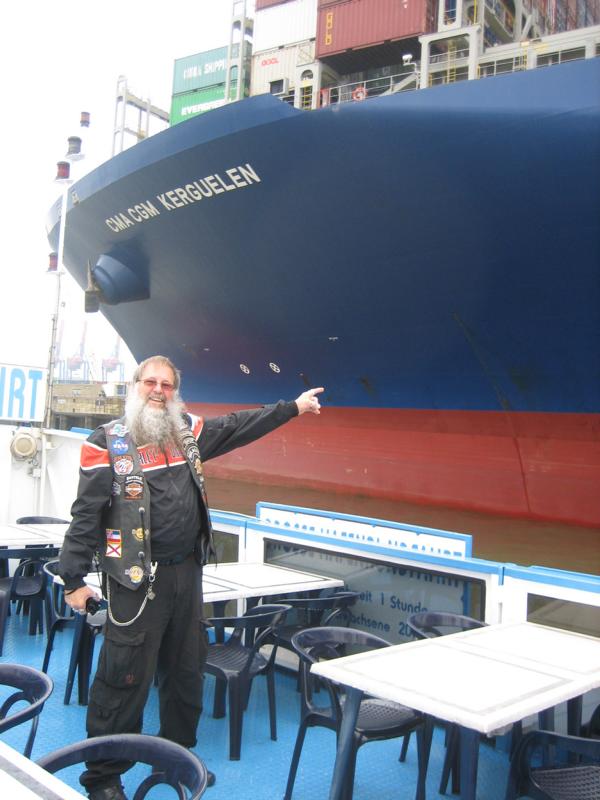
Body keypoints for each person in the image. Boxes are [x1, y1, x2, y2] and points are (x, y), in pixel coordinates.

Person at [59, 354, 324, 800]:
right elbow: (86, 514)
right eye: (150, 383)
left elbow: (238, 426)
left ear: (175, 391)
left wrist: (292, 408)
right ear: (136, 385)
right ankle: (103, 778)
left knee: (185, 673)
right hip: (135, 583)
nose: (158, 391)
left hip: (187, 574)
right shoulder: (105, 443)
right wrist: (73, 579)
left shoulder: (189, 432)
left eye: (166, 385)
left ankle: (176, 757)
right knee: (123, 677)